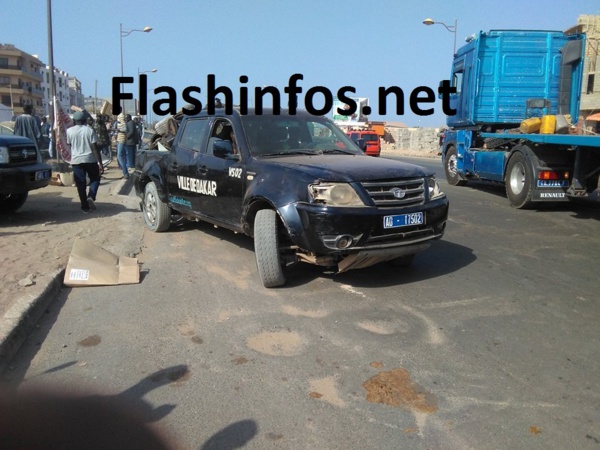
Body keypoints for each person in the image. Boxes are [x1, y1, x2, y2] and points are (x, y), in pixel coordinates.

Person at [66, 110, 104, 213]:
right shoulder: (89, 130)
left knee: (80, 184)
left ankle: (84, 207)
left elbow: (70, 145)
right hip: (90, 159)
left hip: (76, 160)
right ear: (84, 120)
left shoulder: (69, 131)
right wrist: (100, 163)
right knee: (95, 178)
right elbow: (95, 148)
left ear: (74, 121)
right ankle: (91, 196)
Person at [116, 113, 129, 178]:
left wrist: (118, 130)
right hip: (122, 140)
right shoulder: (124, 124)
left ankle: (125, 172)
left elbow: (122, 130)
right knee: (123, 156)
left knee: (119, 156)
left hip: (121, 141)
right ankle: (125, 171)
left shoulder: (122, 124)